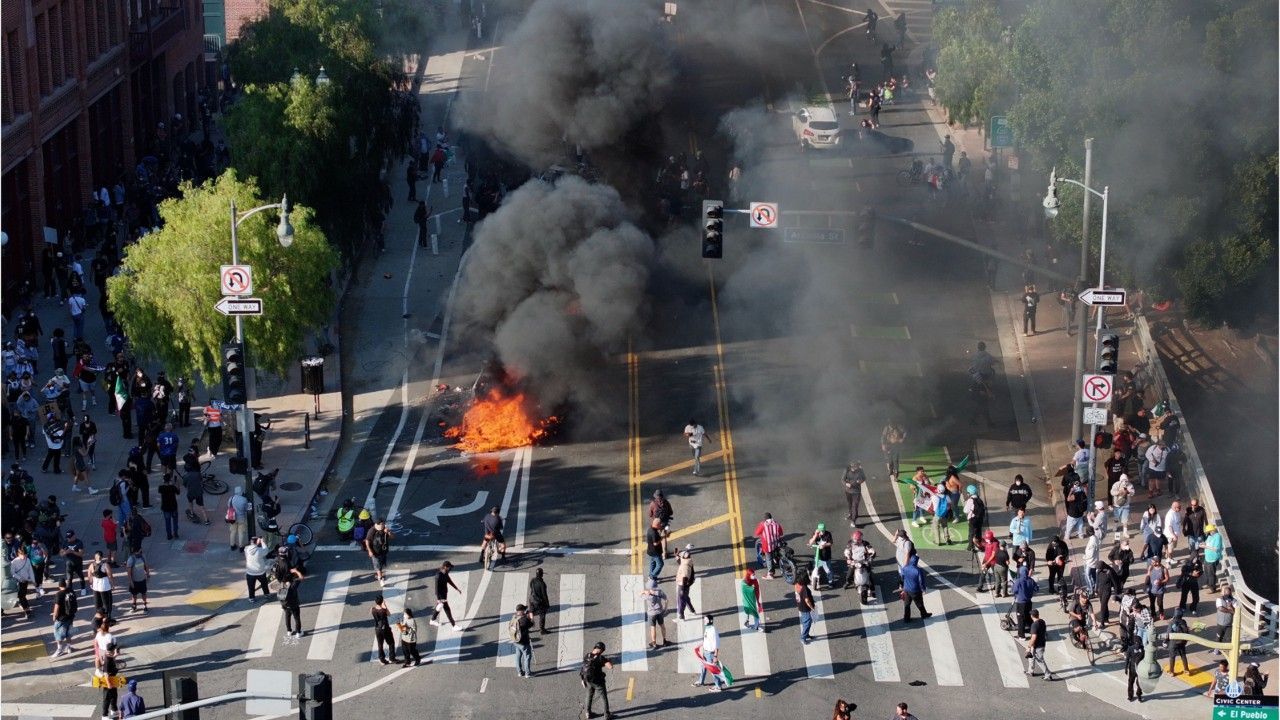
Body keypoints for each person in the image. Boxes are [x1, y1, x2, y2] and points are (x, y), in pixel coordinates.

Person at [580, 641, 614, 720]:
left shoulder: (587, 655)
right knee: (603, 697)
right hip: (598, 681)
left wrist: (583, 680)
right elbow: (610, 667)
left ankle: (588, 713)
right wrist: (609, 661)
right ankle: (607, 715)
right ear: (601, 650)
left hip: (588, 680)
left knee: (589, 696)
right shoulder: (600, 658)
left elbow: (583, 668)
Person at [693, 615, 726, 691]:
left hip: (710, 654)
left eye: (706, 620)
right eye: (704, 619)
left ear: (710, 621)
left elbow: (716, 644)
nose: (704, 621)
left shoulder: (712, 630)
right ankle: (701, 681)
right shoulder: (707, 628)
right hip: (705, 652)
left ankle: (718, 686)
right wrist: (699, 646)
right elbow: (706, 640)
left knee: (713, 670)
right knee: (703, 667)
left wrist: (715, 656)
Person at [899, 552, 930, 623]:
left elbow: (902, 577)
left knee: (907, 604)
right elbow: (921, 581)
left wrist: (903, 586)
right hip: (915, 590)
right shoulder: (918, 570)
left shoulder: (905, 568)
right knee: (919, 604)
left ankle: (906, 618)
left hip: (906, 589)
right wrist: (923, 589)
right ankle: (924, 615)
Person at [50, 578, 78, 657]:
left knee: (58, 634)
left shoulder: (59, 594)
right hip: (71, 616)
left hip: (61, 618)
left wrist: (54, 616)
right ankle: (69, 648)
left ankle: (59, 649)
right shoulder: (71, 591)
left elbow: (57, 607)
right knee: (68, 633)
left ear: (59, 586)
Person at [1026, 608, 1055, 680]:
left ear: (1032, 616)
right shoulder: (1042, 621)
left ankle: (1048, 675)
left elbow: (1033, 637)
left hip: (1038, 646)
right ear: (1038, 615)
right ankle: (1030, 671)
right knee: (1031, 657)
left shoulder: (1034, 625)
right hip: (1041, 643)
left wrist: (1029, 647)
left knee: (1040, 660)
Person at [640, 578, 669, 650]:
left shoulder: (647, 595)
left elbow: (640, 595)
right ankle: (664, 641)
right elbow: (666, 599)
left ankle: (654, 644)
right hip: (659, 612)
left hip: (651, 614)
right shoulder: (659, 592)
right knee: (662, 626)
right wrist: (665, 609)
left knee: (653, 628)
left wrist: (643, 592)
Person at [430, 560, 460, 628]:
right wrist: (438, 599)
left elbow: (449, 581)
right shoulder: (438, 575)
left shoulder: (445, 573)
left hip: (444, 594)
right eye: (449, 568)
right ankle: (454, 625)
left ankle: (432, 620)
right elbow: (436, 589)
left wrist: (456, 588)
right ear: (445, 567)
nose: (450, 569)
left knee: (439, 607)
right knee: (447, 609)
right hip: (441, 595)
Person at [371, 594, 398, 665]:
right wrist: (385, 606)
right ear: (382, 601)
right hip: (385, 628)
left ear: (375, 602)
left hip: (377, 629)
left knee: (380, 644)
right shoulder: (383, 610)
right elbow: (389, 614)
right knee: (391, 643)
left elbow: (372, 612)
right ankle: (392, 658)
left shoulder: (373, 609)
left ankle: (382, 659)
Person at [1012, 565, 1037, 639]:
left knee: (1020, 619)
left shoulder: (1019, 581)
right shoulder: (1031, 580)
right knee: (1028, 618)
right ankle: (1034, 631)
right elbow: (1036, 588)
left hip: (1021, 603)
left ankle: (1021, 635)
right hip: (1029, 602)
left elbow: (1014, 590)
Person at [365, 518, 392, 586]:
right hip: (375, 552)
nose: (382, 526)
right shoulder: (372, 530)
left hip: (383, 551)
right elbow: (367, 541)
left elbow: (392, 537)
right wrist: (370, 551)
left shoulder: (385, 529)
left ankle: (379, 574)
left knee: (381, 564)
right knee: (377, 565)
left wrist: (388, 532)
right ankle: (380, 578)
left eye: (383, 524)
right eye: (381, 525)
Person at [510, 603, 534, 677]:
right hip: (523, 642)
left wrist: (526, 616)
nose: (525, 611)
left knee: (518, 655)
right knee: (527, 656)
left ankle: (520, 672)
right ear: (521, 611)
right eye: (524, 610)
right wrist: (531, 617)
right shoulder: (524, 620)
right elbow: (531, 624)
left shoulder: (514, 617)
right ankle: (527, 673)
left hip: (515, 640)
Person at [808, 522, 834, 588]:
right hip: (818, 556)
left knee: (828, 570)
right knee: (816, 567)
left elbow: (830, 543)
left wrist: (824, 545)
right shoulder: (815, 534)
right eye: (821, 531)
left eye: (823, 531)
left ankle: (830, 582)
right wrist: (815, 536)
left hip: (826, 556)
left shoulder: (828, 534)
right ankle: (816, 578)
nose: (822, 532)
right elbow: (810, 542)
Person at [1165, 608, 1190, 675]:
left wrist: (1165, 641)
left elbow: (1168, 634)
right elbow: (1187, 631)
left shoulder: (1172, 622)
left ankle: (1171, 671)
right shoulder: (1183, 621)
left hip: (1173, 642)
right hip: (1182, 642)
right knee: (1183, 655)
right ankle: (1186, 670)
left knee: (1172, 657)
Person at [90, 550, 114, 619]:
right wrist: (112, 584)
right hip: (104, 586)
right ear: (102, 557)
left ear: (95, 557)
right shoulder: (105, 565)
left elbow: (89, 575)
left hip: (95, 587)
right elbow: (110, 576)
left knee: (97, 603)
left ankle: (99, 617)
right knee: (107, 603)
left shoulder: (92, 565)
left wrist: (91, 583)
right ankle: (107, 618)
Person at [840, 462, 866, 526]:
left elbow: (864, 478)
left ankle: (853, 521)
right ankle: (851, 514)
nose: (856, 468)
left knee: (855, 505)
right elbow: (842, 479)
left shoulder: (860, 470)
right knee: (850, 504)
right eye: (854, 467)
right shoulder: (847, 470)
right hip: (848, 491)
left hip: (856, 491)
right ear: (851, 466)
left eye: (857, 466)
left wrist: (860, 481)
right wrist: (846, 484)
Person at [675, 547, 697, 620]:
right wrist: (677, 555)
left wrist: (682, 589)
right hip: (687, 584)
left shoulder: (685, 567)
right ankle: (692, 610)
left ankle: (681, 615)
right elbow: (680, 561)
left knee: (681, 599)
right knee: (686, 597)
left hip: (683, 585)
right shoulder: (688, 561)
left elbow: (684, 577)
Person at [527, 567, 550, 633]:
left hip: (531, 599)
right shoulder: (542, 584)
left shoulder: (532, 580)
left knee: (531, 613)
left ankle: (527, 627)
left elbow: (531, 587)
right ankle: (542, 629)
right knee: (542, 614)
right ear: (542, 575)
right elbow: (544, 595)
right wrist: (547, 604)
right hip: (538, 602)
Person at [125, 547, 149, 612]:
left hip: (142, 580)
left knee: (144, 593)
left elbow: (146, 566)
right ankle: (134, 605)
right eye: (140, 550)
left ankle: (145, 605)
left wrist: (148, 574)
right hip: (134, 581)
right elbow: (129, 572)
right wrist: (131, 581)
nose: (141, 551)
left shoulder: (143, 556)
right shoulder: (131, 559)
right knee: (134, 594)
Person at [1203, 524, 1224, 591]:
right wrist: (1203, 544)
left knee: (1211, 573)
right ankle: (1208, 584)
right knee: (1206, 571)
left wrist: (1205, 547)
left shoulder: (1218, 537)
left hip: (1213, 558)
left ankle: (1212, 588)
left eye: (1209, 531)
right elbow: (1206, 543)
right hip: (1207, 557)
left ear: (1212, 530)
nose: (1208, 533)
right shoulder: (1210, 536)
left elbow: (1216, 549)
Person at [1126, 637, 1147, 702]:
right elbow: (1127, 659)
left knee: (1139, 683)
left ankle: (1139, 695)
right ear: (1134, 643)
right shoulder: (1130, 648)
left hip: (1140, 669)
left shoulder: (1143, 649)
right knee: (1130, 683)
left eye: (1139, 643)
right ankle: (1130, 696)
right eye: (1136, 643)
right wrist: (1126, 668)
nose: (1138, 645)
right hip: (1132, 669)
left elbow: (1146, 660)